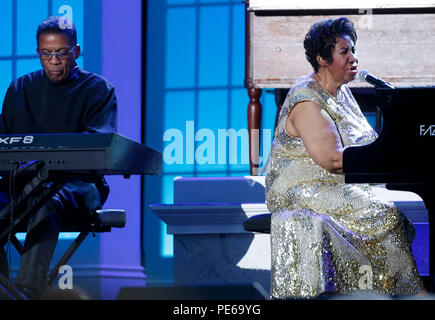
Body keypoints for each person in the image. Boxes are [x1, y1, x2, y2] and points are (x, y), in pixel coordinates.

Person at [265, 17, 424, 299]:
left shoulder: (344, 94)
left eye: (353, 51)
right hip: (301, 189)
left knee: (393, 215)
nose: (354, 58)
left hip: (335, 184)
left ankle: (382, 291)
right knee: (383, 213)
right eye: (345, 52)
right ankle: (405, 293)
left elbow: (367, 143)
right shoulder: (307, 99)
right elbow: (332, 160)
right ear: (322, 59)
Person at [0, 16, 117, 298]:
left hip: (77, 186)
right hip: (22, 185)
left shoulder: (98, 89)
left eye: (61, 52)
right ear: (38, 53)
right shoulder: (20, 88)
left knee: (46, 199)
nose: (54, 60)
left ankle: (29, 288)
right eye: (47, 53)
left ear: (75, 52)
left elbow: (97, 148)